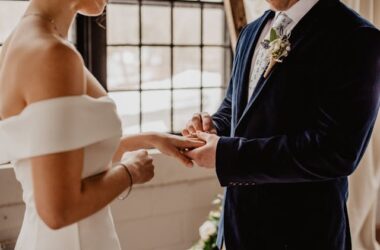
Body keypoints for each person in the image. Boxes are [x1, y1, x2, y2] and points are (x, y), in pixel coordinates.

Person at [0, 0, 203, 249]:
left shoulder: (20, 41)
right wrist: (131, 172)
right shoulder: (50, 54)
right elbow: (58, 211)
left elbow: (68, 159)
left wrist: (150, 139)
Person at [182, 0, 380, 249]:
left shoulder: (356, 37)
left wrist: (226, 155)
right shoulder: (251, 31)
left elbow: (336, 151)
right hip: (237, 230)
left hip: (303, 234)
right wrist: (213, 126)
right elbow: (235, 105)